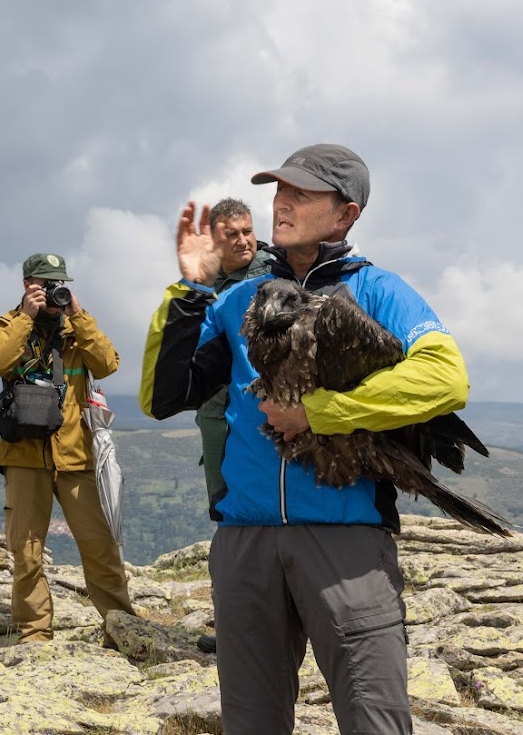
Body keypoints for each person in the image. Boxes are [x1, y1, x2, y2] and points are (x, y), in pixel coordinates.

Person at [139, 144, 469, 735]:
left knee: (375, 721)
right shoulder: (239, 299)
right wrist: (190, 292)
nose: (282, 202)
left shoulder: (378, 291)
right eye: (279, 191)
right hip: (244, 542)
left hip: (346, 543)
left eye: (302, 193)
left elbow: (446, 378)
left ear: (346, 215)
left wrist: (321, 413)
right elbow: (164, 397)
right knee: (251, 722)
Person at [0, 253, 134, 644]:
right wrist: (26, 318)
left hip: (76, 455)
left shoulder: (75, 330)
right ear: (27, 284)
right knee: (27, 552)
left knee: (100, 547)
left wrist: (79, 315)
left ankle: (122, 628)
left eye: (58, 284)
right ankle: (34, 634)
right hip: (24, 455)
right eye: (43, 284)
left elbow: (109, 362)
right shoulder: (8, 324)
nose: (51, 292)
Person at [190, 198, 271, 656]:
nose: (243, 241)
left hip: (265, 420)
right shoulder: (202, 285)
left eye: (248, 231)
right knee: (229, 527)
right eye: (231, 235)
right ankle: (233, 626)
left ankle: (278, 623)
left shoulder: (276, 273)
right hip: (218, 427)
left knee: (274, 521)